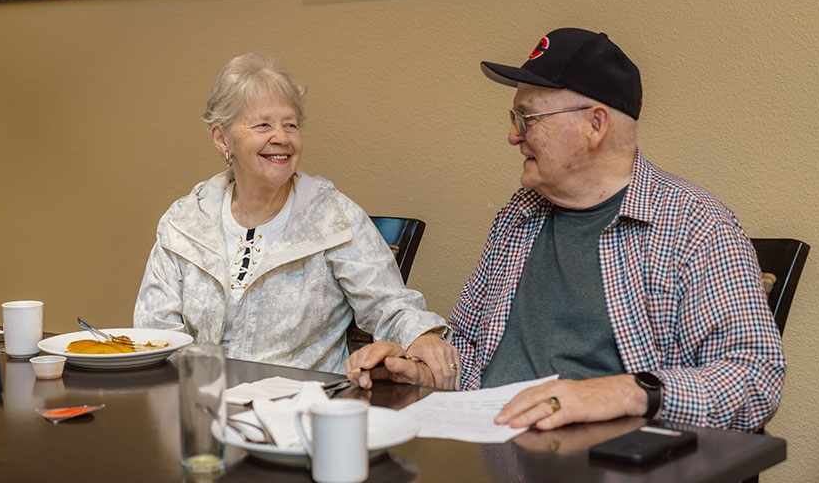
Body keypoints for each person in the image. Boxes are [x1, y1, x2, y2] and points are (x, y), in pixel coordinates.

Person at [346, 28, 785, 432]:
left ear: (595, 125)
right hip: (491, 448)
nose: (513, 136)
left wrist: (620, 391)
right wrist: (418, 370)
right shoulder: (518, 216)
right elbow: (474, 356)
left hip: (606, 463)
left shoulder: (692, 223)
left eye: (528, 119)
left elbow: (755, 378)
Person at [134, 53, 456, 379]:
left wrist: (421, 335)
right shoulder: (186, 221)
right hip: (200, 408)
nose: (282, 137)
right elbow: (155, 332)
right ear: (221, 138)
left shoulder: (332, 217)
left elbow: (390, 305)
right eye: (263, 125)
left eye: (290, 125)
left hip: (302, 412)